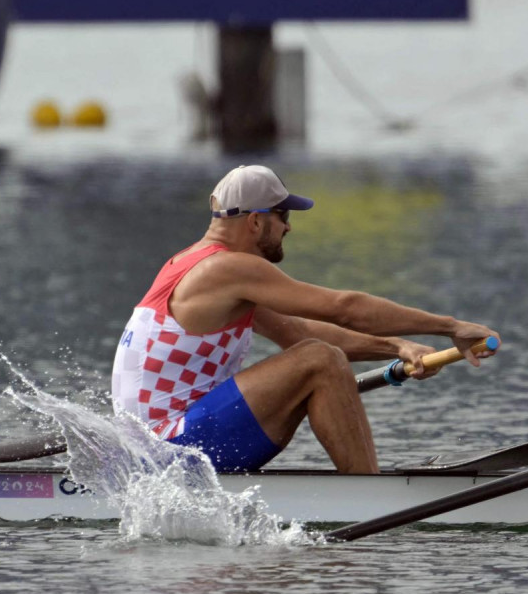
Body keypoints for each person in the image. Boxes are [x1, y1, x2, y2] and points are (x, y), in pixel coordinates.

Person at [112, 165, 499, 474]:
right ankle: (370, 495)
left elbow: (297, 331)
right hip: (174, 450)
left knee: (316, 352)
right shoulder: (229, 269)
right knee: (320, 359)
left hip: (155, 449)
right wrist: (450, 326)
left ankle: (364, 487)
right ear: (255, 222)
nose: (289, 227)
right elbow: (344, 307)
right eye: (283, 215)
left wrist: (398, 347)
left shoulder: (188, 264)